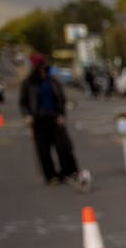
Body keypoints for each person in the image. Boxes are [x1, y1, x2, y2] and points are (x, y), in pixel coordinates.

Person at [19, 53, 90, 190]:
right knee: (43, 149)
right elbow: (23, 102)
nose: (43, 70)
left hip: (55, 117)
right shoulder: (28, 84)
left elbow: (61, 99)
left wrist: (62, 114)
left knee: (64, 146)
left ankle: (69, 171)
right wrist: (27, 115)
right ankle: (51, 175)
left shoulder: (52, 81)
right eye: (41, 67)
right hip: (39, 119)